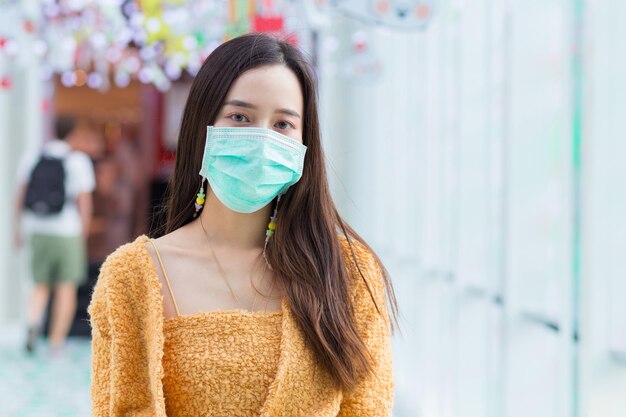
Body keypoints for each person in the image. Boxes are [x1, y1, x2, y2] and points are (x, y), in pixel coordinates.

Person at [88, 33, 397, 417]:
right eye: (240, 117)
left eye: (283, 124)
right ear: (203, 126)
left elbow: (368, 407)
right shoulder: (133, 277)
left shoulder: (347, 273)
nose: (262, 139)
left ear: (305, 143)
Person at [14, 115, 95, 354]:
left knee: (40, 284)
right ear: (74, 134)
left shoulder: (33, 156)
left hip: (37, 229)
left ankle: (32, 323)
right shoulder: (78, 161)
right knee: (65, 287)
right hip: (67, 231)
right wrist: (84, 235)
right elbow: (85, 203)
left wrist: (17, 229)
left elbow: (20, 196)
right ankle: (56, 342)